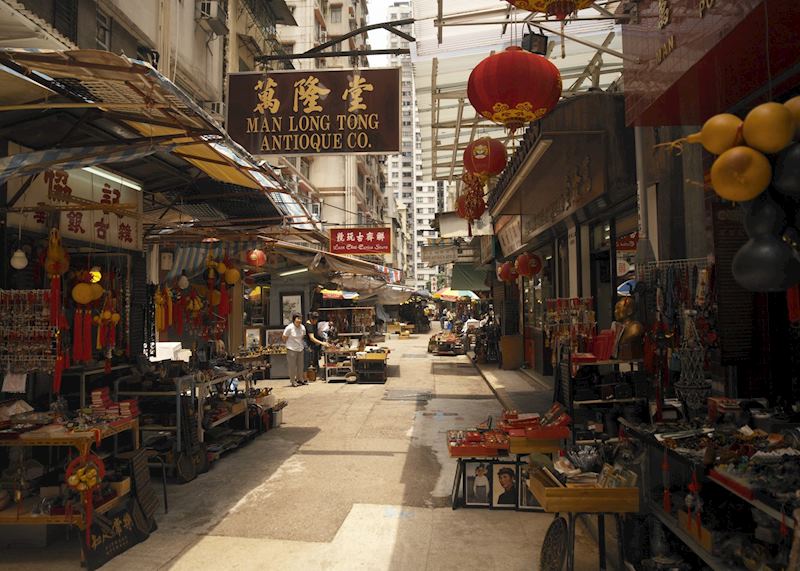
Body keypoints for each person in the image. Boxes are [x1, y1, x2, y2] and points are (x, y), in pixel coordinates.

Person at [282, 313, 307, 387]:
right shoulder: (289, 328)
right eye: (298, 318)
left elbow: (303, 336)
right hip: (291, 349)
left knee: (300, 365)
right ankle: (293, 381)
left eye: (300, 319)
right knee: (292, 366)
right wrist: (289, 344)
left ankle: (300, 379)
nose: (299, 320)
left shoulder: (302, 327)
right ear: (294, 319)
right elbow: (284, 337)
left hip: (300, 348)